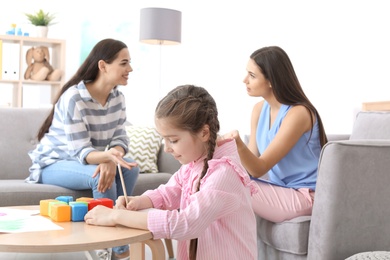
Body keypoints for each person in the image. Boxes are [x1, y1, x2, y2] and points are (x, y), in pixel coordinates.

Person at [84, 85, 258, 260]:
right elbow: (168, 193)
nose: (166, 148)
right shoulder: (194, 164)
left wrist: (116, 216)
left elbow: (186, 224)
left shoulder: (224, 174)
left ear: (204, 132)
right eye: (163, 139)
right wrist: (139, 201)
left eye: (173, 140)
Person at [27, 38, 140, 260]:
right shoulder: (74, 97)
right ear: (103, 65)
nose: (130, 69)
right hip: (54, 163)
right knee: (98, 175)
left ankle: (117, 242)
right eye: (124, 63)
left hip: (89, 160)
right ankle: (109, 249)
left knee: (131, 169)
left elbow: (120, 138)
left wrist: (111, 156)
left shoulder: (118, 98)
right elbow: (82, 152)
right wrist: (106, 159)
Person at [222, 46, 328, 223]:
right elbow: (248, 167)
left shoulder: (299, 114)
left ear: (271, 80)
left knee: (228, 184)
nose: (244, 80)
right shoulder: (258, 110)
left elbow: (259, 168)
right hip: (279, 189)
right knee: (219, 178)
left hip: (305, 195)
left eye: (252, 75)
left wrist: (237, 143)